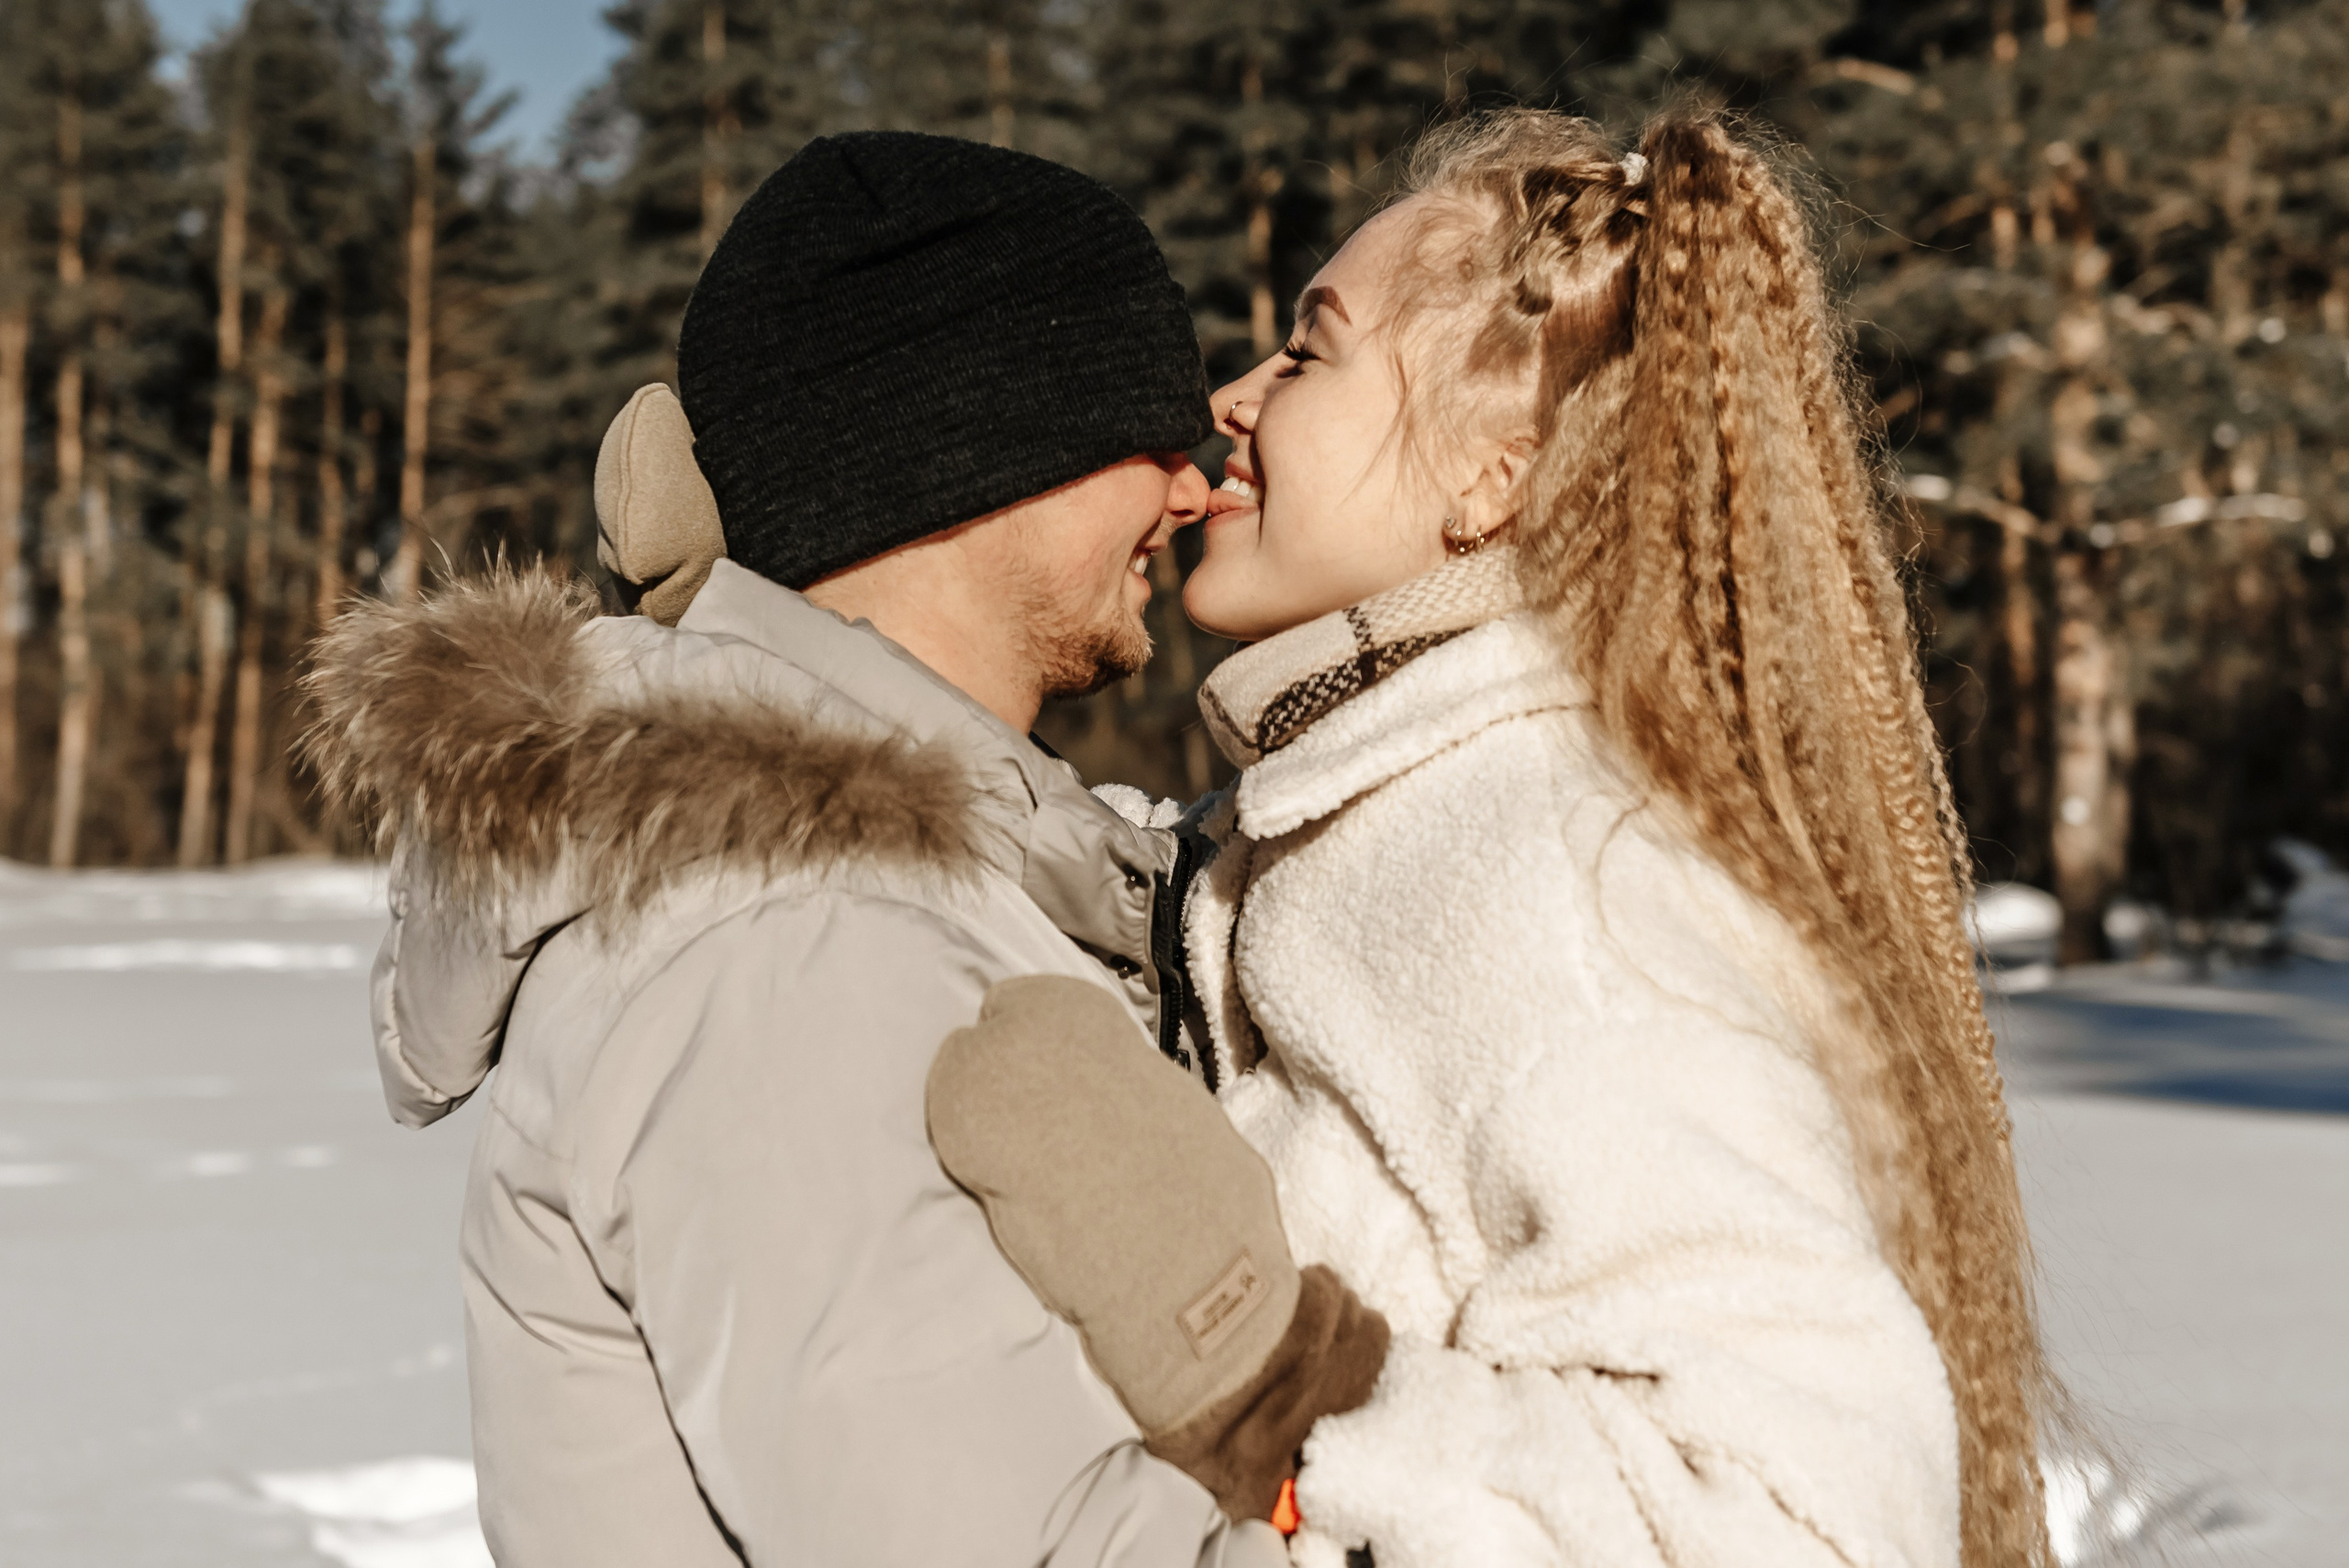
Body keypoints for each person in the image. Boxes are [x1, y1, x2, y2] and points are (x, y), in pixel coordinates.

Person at [937, 107, 2055, 1568]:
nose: (1234, 397)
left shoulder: (1545, 873)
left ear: (1496, 475)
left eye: (1310, 347)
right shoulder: (1386, 807)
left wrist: (1288, 1399)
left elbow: (1804, 1516)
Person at [302, 132, 1356, 1567]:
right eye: (1137, 427)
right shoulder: (779, 933)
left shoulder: (899, 885)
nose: (1187, 489)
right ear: (979, 446)